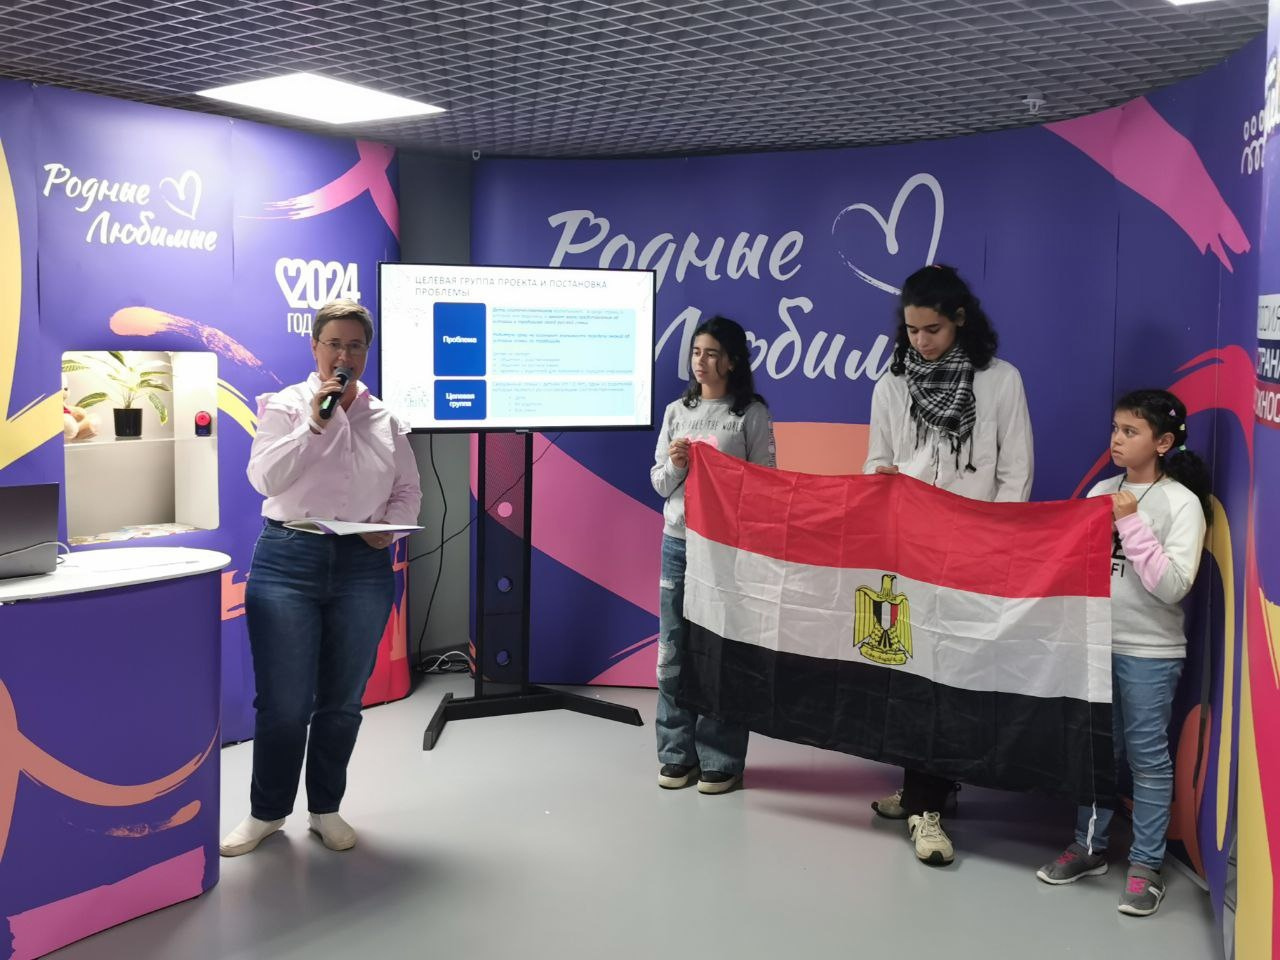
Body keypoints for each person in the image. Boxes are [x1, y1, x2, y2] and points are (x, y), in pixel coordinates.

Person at [220, 299, 422, 857]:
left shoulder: (385, 418)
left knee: (342, 700)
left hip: (363, 565)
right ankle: (266, 813)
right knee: (284, 702)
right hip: (289, 559)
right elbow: (265, 479)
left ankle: (325, 809)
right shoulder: (286, 406)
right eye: (334, 344)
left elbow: (408, 488)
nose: (344, 355)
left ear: (366, 353)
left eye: (355, 346)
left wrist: (390, 528)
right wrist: (315, 424)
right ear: (315, 348)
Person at [864, 264, 1034, 865]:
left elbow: (1015, 474)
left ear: (960, 320)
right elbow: (875, 464)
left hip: (971, 550)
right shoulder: (891, 385)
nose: (922, 342)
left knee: (952, 675)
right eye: (912, 331)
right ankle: (924, 791)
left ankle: (927, 802)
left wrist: (992, 547)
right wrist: (884, 480)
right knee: (910, 672)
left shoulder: (1000, 381)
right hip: (909, 549)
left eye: (932, 329)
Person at [1035, 389, 1209, 917]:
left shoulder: (1181, 503)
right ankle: (1089, 846)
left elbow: (1172, 586)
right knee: (1097, 753)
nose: (1116, 439)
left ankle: (1146, 865)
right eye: (1115, 428)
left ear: (1163, 442)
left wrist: (1130, 522)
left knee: (1147, 758)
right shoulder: (1100, 491)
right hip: (1095, 643)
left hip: (1150, 651)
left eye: (1130, 432)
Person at [651, 316, 776, 795]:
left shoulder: (750, 413)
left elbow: (766, 483)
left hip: (726, 551)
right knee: (673, 650)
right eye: (696, 352)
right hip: (678, 543)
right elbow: (659, 483)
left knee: (721, 651)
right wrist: (675, 466)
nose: (700, 362)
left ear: (733, 360)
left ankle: (721, 757)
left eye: (711, 353)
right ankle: (675, 753)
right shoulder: (676, 411)